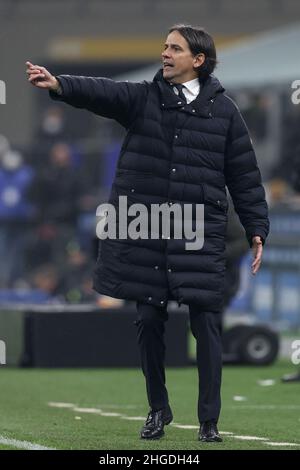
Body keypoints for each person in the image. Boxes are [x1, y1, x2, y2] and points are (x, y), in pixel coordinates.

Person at [26, 24, 269, 442]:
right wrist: (61, 84)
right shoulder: (143, 97)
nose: (165, 53)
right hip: (148, 231)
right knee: (148, 319)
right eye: (164, 46)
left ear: (198, 60)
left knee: (207, 324)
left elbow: (244, 176)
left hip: (198, 233)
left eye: (175, 48)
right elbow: (103, 93)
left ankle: (209, 421)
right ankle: (159, 409)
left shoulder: (225, 111)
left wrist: (256, 228)